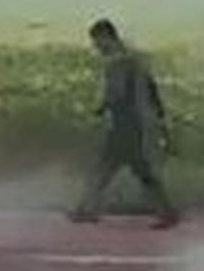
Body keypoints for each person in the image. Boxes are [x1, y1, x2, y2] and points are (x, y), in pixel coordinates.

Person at [70, 18, 180, 228]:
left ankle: (86, 210)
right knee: (124, 170)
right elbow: (151, 90)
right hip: (137, 124)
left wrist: (99, 110)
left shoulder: (117, 62)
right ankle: (86, 209)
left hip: (125, 126)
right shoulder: (135, 59)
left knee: (108, 170)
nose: (96, 47)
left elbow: (117, 94)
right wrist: (159, 117)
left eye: (97, 41)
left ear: (106, 37)